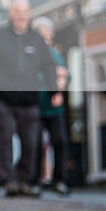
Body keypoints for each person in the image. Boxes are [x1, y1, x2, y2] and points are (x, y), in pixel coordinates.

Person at [0, 0, 61, 197]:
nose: (21, 15)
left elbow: (48, 65)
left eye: (25, 12)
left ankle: (25, 180)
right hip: (4, 98)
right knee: (4, 139)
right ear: (11, 14)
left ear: (29, 15)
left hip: (30, 99)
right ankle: (8, 180)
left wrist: (54, 90)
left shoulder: (36, 38)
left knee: (31, 142)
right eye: (17, 11)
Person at [32, 17, 71, 195]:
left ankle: (59, 179)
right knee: (35, 144)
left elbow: (65, 75)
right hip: (37, 104)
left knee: (59, 142)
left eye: (48, 35)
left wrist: (62, 83)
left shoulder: (56, 54)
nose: (47, 39)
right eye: (43, 35)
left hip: (54, 106)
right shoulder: (33, 54)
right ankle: (34, 180)